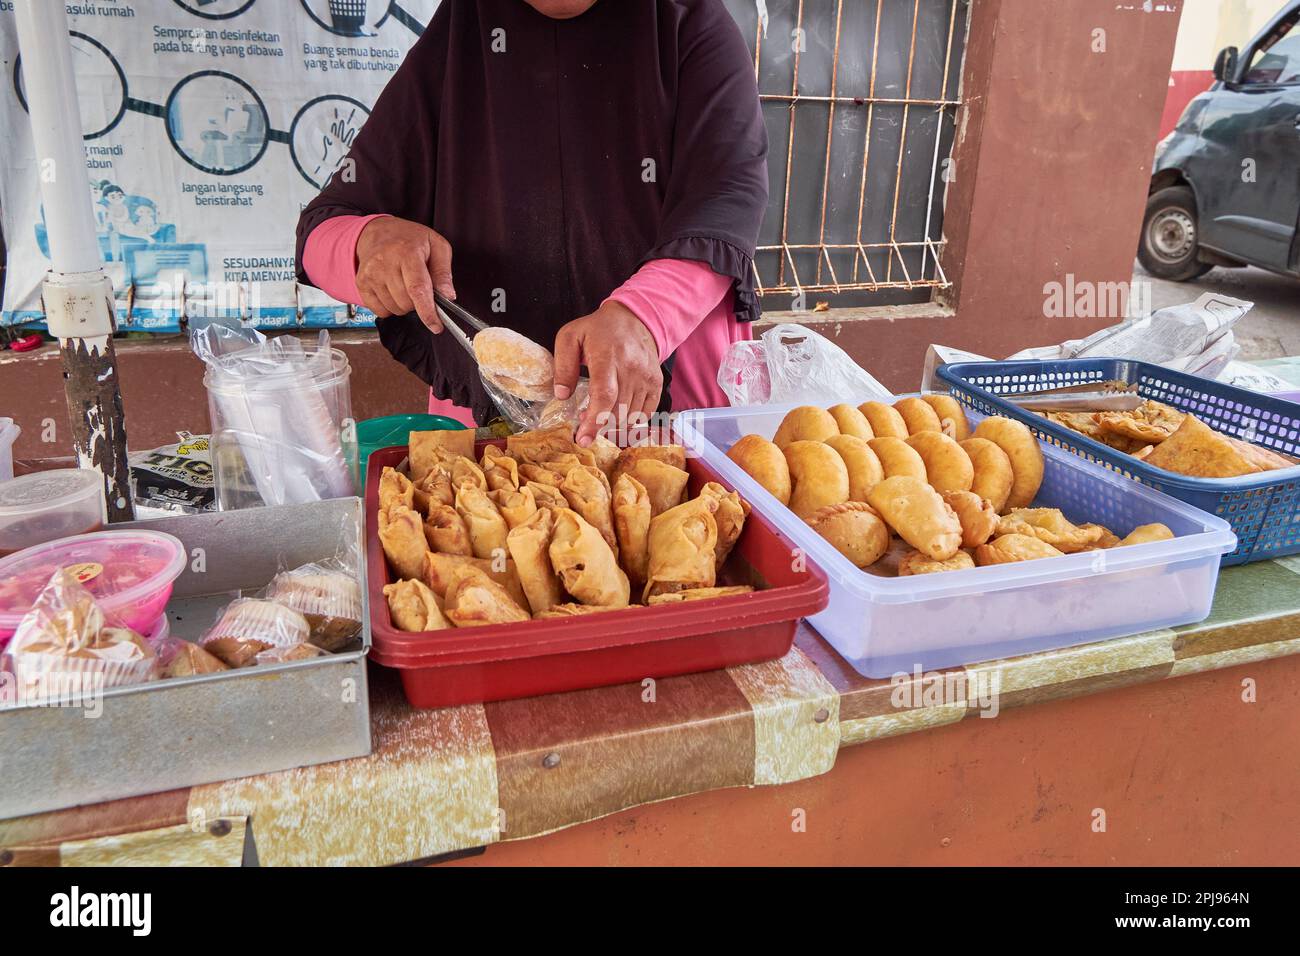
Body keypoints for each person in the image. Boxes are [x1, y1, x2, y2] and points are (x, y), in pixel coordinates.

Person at [296, 0, 768, 444]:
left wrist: (643, 316)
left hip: (674, 411)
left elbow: (727, 198)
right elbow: (323, 228)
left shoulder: (688, 20)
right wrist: (368, 242)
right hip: (490, 423)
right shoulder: (459, 36)